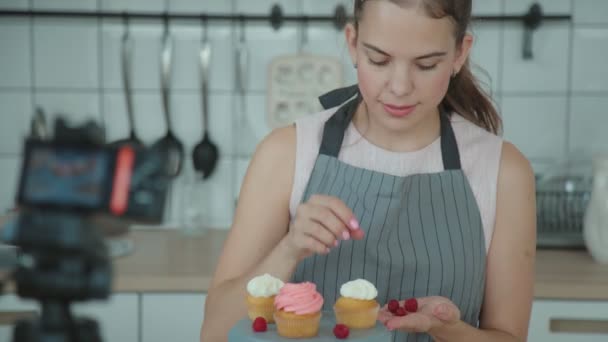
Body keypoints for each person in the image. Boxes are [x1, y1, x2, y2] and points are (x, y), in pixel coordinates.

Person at [200, 0, 536, 341]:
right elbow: (214, 333)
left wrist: (448, 329)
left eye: (426, 65)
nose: (400, 87)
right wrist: (287, 250)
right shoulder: (286, 154)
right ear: (352, 43)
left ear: (459, 54)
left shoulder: (503, 172)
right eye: (379, 60)